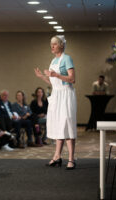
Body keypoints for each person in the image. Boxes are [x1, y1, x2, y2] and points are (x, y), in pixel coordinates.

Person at [34, 35, 77, 170]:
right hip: (56, 94)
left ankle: (71, 159)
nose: (52, 46)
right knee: (58, 125)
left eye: (54, 44)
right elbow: (53, 83)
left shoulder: (67, 58)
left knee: (67, 125)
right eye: (51, 44)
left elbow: (72, 79)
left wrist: (56, 75)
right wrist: (42, 77)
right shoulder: (53, 61)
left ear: (61, 45)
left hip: (66, 95)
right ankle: (57, 156)